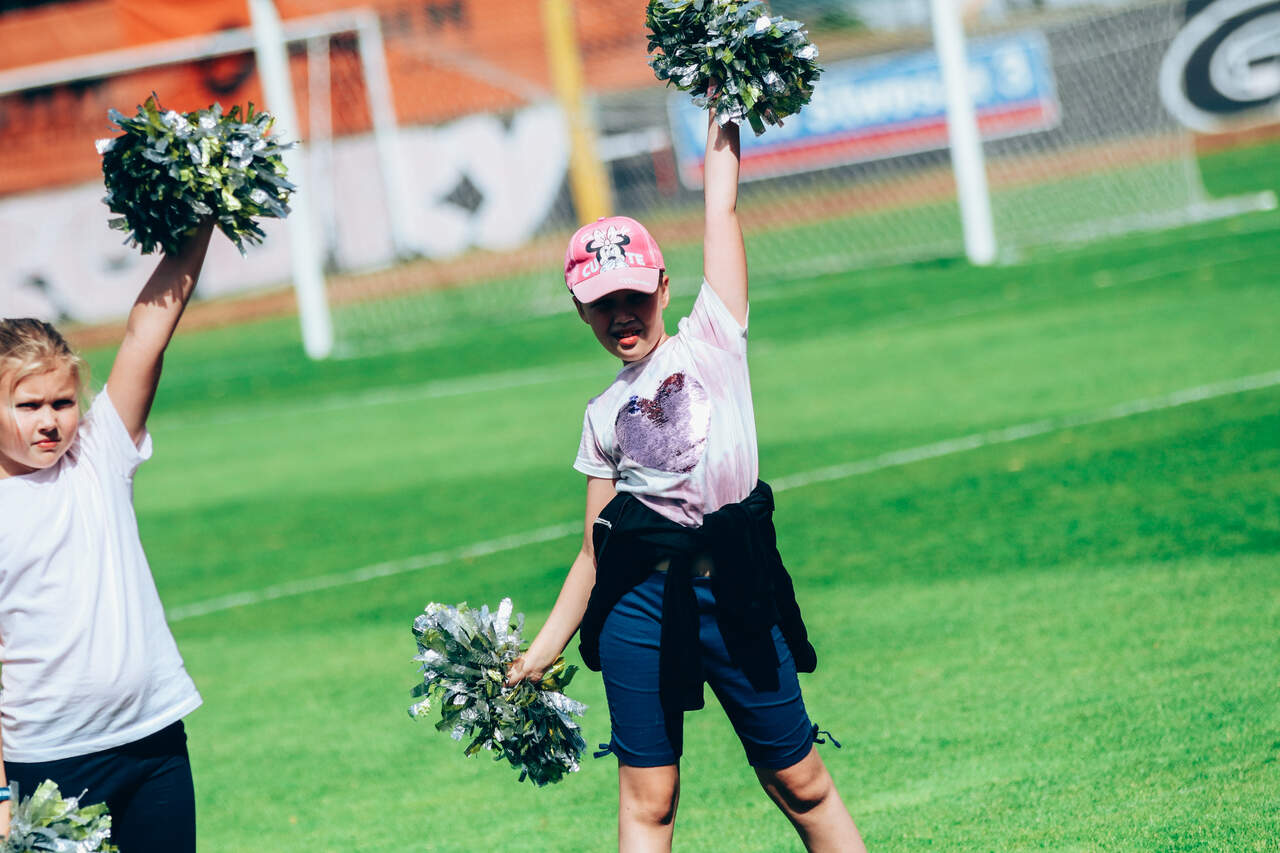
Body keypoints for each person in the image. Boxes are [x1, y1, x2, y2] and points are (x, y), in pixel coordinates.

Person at [506, 111, 868, 852]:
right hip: (640, 605)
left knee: (800, 780)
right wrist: (541, 651)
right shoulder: (600, 414)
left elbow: (720, 205)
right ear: (581, 310)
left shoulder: (714, 334)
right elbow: (594, 551)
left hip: (735, 589)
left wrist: (721, 104)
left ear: (665, 287)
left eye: (634, 295)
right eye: (603, 303)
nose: (622, 315)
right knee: (651, 800)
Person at [0, 221, 214, 852]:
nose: (49, 421)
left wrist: (204, 215)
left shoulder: (99, 454)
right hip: (51, 760)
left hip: (154, 740)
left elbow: (148, 334)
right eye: (28, 406)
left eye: (62, 403)